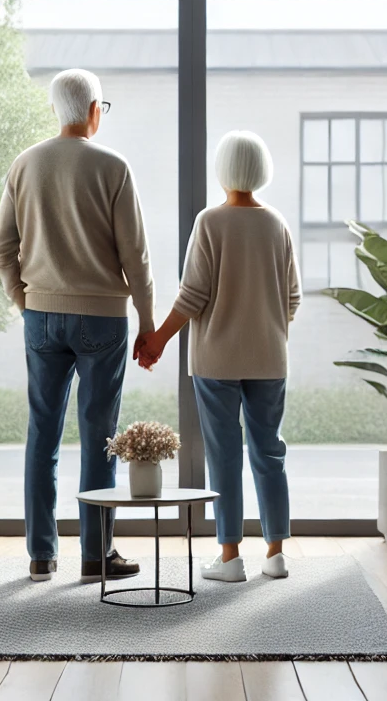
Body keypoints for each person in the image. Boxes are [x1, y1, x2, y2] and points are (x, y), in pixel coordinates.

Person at [0, 68, 155, 583]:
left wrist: (27, 303)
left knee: (43, 432)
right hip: (103, 319)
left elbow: (2, 250)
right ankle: (96, 554)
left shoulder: (25, 164)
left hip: (41, 317)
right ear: (92, 111)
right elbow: (137, 258)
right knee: (99, 435)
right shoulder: (113, 167)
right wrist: (148, 323)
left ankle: (42, 555)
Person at [137, 130, 301, 582]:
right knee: (270, 453)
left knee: (224, 455)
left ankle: (230, 558)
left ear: (223, 169)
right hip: (270, 359)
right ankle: (276, 554)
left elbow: (193, 296)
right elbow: (292, 298)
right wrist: (267, 332)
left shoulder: (210, 222)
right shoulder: (277, 225)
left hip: (216, 362)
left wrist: (159, 340)